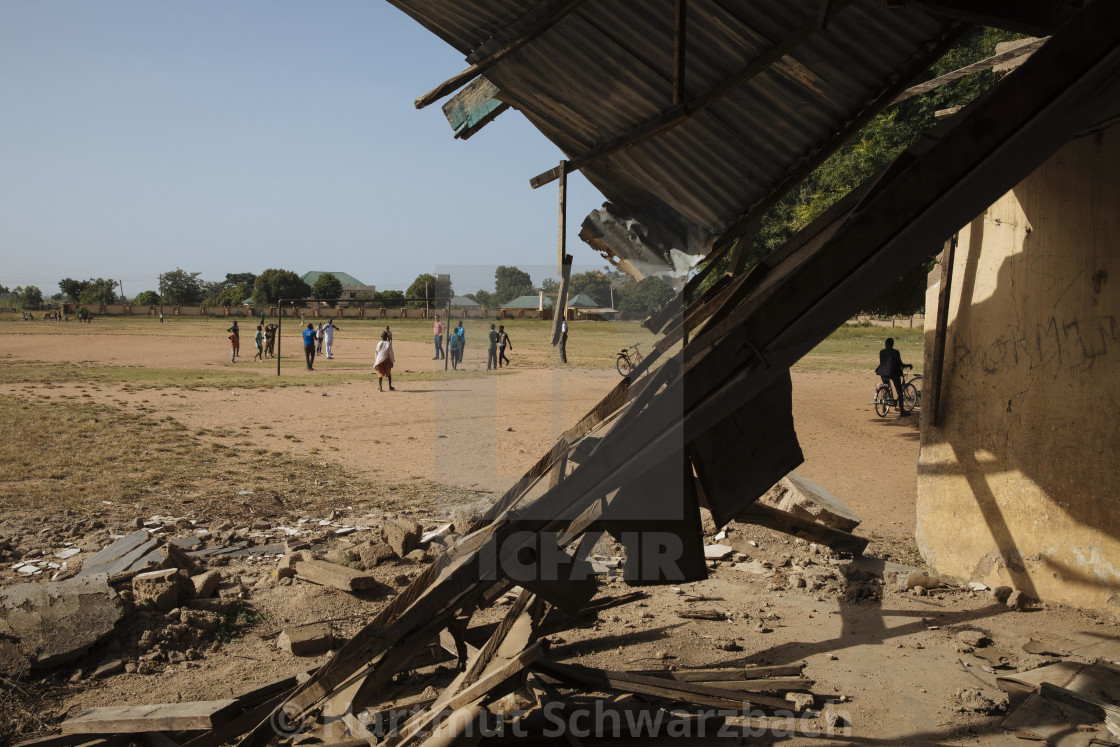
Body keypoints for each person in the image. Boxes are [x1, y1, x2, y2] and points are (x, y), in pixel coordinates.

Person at [876, 337, 912, 417]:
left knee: (886, 387)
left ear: (885, 344)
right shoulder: (896, 352)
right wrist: (908, 365)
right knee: (899, 391)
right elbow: (900, 364)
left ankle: (884, 407)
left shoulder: (881, 352)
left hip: (883, 372)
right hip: (894, 373)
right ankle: (902, 410)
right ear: (892, 344)